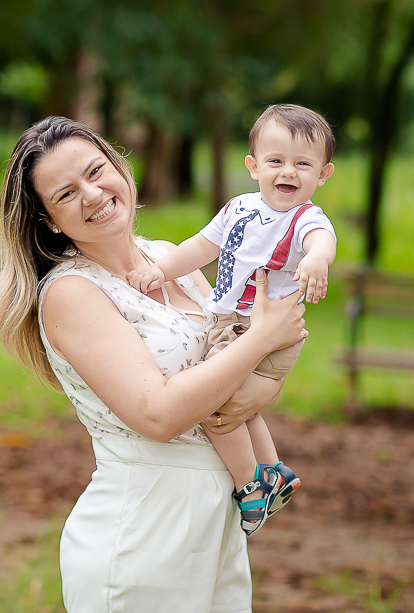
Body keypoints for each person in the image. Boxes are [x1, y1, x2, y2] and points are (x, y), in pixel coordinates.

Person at [0, 116, 307, 613]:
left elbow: (222, 368)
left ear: (119, 166)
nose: (93, 194)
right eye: (66, 193)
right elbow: (157, 414)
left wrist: (266, 384)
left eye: (96, 171)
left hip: (215, 526)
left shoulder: (171, 259)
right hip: (143, 535)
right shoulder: (71, 293)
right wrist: (264, 338)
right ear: (50, 220)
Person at [127, 105, 336, 536]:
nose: (288, 172)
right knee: (233, 402)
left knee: (214, 407)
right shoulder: (239, 208)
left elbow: (322, 240)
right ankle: (273, 469)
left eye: (303, 164)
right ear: (253, 165)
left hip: (263, 328)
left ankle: (250, 487)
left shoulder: (305, 218)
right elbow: (202, 247)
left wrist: (316, 260)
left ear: (323, 174)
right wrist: (161, 270)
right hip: (233, 323)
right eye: (276, 161)